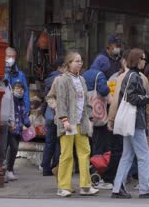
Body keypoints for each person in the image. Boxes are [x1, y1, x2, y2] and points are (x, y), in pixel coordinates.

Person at [110, 48, 149, 199]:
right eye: (143, 59)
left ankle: (117, 188)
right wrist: (148, 98)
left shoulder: (129, 75)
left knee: (127, 155)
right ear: (137, 60)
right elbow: (132, 98)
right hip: (135, 121)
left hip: (130, 121)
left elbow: (126, 98)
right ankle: (145, 189)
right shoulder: (134, 77)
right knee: (144, 155)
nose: (145, 62)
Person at [53, 51, 99, 197]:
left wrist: (90, 118)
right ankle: (63, 186)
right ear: (68, 63)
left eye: (80, 61)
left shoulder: (82, 80)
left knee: (85, 153)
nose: (79, 63)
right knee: (66, 154)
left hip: (81, 122)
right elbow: (61, 102)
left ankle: (85, 185)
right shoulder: (62, 80)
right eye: (76, 61)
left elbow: (86, 102)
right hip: (68, 122)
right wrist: (64, 120)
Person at [83, 55, 110, 156]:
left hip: (86, 108)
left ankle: (88, 161)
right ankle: (96, 163)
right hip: (97, 110)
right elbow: (103, 91)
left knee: (89, 138)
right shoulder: (100, 75)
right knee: (99, 139)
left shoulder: (85, 73)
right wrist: (109, 88)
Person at [4, 82, 31, 181]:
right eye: (18, 88)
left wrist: (28, 124)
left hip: (18, 129)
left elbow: (23, 114)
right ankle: (7, 170)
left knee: (13, 150)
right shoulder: (11, 99)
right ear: (13, 89)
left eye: (22, 89)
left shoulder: (21, 101)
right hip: (10, 128)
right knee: (11, 148)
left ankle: (9, 170)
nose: (20, 90)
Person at [41, 57, 64, 176]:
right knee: (59, 142)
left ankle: (45, 167)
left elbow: (46, 97)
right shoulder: (60, 79)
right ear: (60, 68)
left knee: (49, 142)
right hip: (59, 114)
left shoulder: (49, 78)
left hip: (49, 115)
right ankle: (55, 166)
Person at [4, 47, 30, 118]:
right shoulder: (0, 73)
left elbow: (25, 91)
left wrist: (26, 109)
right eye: (9, 56)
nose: (11, 59)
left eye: (13, 57)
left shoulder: (20, 74)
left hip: (17, 109)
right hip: (4, 108)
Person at [0, 78, 15, 183]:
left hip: (5, 122)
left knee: (3, 148)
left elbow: (11, 104)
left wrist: (12, 120)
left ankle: (0, 171)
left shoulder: (8, 86)